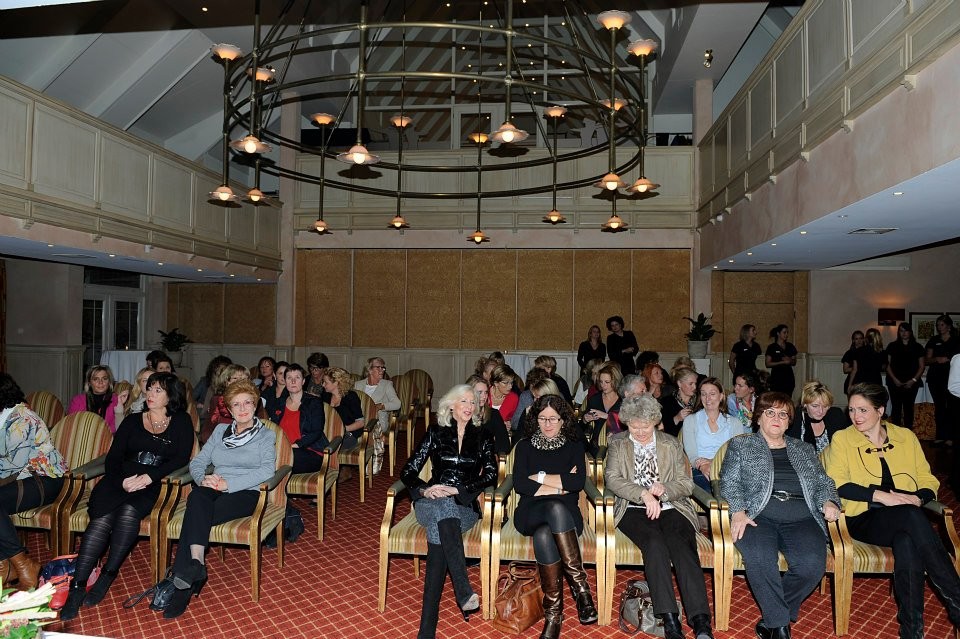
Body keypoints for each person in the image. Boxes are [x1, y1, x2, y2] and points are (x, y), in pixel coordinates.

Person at [824, 383, 960, 638]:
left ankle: (912, 630)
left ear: (880, 410)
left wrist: (919, 499)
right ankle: (957, 599)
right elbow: (838, 483)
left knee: (907, 540)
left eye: (863, 410)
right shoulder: (842, 438)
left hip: (906, 516)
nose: (856, 416)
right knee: (910, 517)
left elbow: (928, 480)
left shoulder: (905, 437)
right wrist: (883, 496)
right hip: (861, 517)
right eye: (852, 410)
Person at [60, 372, 193, 620]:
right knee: (102, 518)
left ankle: (109, 573)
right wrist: (122, 480)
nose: (150, 394)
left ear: (170, 396)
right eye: (149, 389)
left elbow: (180, 458)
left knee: (128, 513)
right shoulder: (132, 420)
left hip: (151, 482)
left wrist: (150, 478)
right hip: (120, 478)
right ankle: (76, 587)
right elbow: (113, 458)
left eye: (157, 390)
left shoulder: (182, 421)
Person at [721, 392, 841, 639]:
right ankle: (780, 627)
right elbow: (729, 482)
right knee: (760, 558)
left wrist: (828, 500)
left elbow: (822, 481)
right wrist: (738, 512)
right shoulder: (741, 445)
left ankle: (772, 618)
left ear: (789, 422)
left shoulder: (804, 449)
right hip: (758, 514)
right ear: (758, 418)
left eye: (783, 414)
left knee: (811, 565)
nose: (776, 418)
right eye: (770, 412)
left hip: (802, 515)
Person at [160, 379, 277, 619]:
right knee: (197, 497)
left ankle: (185, 582)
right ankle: (196, 565)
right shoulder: (220, 431)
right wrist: (204, 479)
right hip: (214, 486)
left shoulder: (265, 435)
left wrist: (228, 484)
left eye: (247, 403)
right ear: (230, 409)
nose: (243, 409)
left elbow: (267, 471)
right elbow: (199, 461)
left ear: (255, 406)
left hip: (248, 492)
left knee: (194, 514)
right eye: (237, 404)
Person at [604, 395, 714, 639]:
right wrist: (643, 494)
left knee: (681, 546)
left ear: (655, 422)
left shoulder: (670, 443)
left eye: (645, 426)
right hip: (633, 509)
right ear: (626, 423)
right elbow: (612, 478)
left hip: (672, 507)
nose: (640, 431)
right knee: (654, 544)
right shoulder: (619, 444)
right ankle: (669, 619)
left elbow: (685, 483)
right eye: (634, 426)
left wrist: (664, 490)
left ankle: (700, 620)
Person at [401, 385, 497, 639]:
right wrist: (425, 490)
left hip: (464, 506)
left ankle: (426, 631)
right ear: (451, 405)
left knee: (440, 524)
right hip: (429, 504)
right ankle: (463, 591)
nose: (470, 406)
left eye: (473, 402)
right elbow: (408, 471)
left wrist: (458, 490)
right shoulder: (435, 432)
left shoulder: (483, 436)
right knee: (441, 507)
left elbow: (491, 474)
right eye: (464, 401)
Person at [514, 395, 597, 639]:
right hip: (530, 510)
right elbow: (520, 483)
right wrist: (559, 486)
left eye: (553, 419)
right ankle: (581, 589)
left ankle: (554, 615)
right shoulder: (525, 446)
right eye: (542, 418)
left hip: (567, 518)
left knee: (544, 535)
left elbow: (578, 482)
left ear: (563, 420)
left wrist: (537, 477)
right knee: (554, 508)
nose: (547, 424)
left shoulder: (574, 446)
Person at [0, 373, 67, 590]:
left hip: (44, 480)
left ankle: (24, 563)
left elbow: (12, 464)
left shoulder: (22, 419)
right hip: (18, 479)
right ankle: (6, 567)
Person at [682, 377, 747, 492]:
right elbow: (691, 454)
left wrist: (714, 463)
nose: (707, 399)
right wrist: (703, 466)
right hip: (699, 469)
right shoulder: (691, 421)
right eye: (703, 394)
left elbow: (737, 453)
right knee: (710, 491)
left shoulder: (734, 423)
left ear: (721, 396)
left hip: (727, 468)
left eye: (712, 394)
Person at [273, 364, 328, 474]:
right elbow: (273, 429)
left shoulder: (314, 403)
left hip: (310, 451)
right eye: (289, 378)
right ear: (285, 381)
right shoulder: (279, 403)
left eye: (297, 378)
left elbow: (316, 432)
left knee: (282, 459)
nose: (293, 381)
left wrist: (295, 445)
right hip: (284, 450)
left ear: (303, 381)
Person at [785, 381, 848, 454]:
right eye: (815, 406)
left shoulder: (836, 416)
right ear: (805, 404)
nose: (821, 411)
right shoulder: (794, 419)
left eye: (825, 406)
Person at [925, 314, 960, 446]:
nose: (940, 327)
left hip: (952, 379)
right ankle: (940, 435)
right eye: (938, 325)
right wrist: (937, 359)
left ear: (949, 326)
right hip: (935, 378)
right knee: (939, 407)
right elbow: (927, 359)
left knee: (952, 407)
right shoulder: (934, 340)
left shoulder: (957, 340)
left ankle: (951, 437)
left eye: (942, 325)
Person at [885, 322, 925, 431]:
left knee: (909, 409)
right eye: (901, 331)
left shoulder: (918, 347)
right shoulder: (892, 346)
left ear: (910, 332)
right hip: (894, 382)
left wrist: (913, 380)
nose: (904, 333)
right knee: (896, 408)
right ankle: (895, 433)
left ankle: (908, 434)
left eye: (906, 330)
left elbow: (922, 366)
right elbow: (887, 365)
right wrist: (895, 380)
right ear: (898, 332)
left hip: (912, 383)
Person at [68, 365, 126, 433]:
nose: (100, 382)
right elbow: (72, 424)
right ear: (89, 383)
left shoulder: (116, 400)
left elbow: (119, 428)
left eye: (104, 378)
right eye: (95, 379)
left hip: (108, 438)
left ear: (109, 382)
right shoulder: (77, 401)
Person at [321, 367, 365, 455]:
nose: (323, 385)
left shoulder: (351, 397)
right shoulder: (325, 396)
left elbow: (360, 423)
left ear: (336, 383)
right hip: (328, 432)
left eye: (325, 382)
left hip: (348, 434)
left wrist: (342, 429)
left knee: (325, 446)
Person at [203, 364, 251, 444]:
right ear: (226, 382)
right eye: (235, 378)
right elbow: (208, 427)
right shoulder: (217, 399)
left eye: (243, 379)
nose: (239, 381)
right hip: (219, 443)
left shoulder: (254, 400)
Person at [466, 375, 510, 455]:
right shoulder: (463, 414)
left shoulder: (493, 414)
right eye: (479, 392)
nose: (484, 396)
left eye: (486, 392)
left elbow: (505, 445)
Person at [583, 362, 622, 441]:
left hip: (619, 444)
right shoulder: (595, 399)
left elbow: (628, 425)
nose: (603, 385)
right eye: (601, 382)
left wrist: (607, 416)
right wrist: (585, 419)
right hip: (596, 445)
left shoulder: (623, 400)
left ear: (615, 381)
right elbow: (582, 429)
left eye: (607, 382)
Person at [659, 367, 698, 437]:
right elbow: (663, 430)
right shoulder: (667, 402)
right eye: (690, 384)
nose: (694, 387)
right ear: (679, 383)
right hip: (675, 443)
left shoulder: (699, 401)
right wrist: (677, 418)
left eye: (695, 383)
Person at [511, 368, 549, 435]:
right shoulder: (526, 396)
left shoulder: (555, 397)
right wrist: (527, 416)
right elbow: (514, 424)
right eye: (532, 387)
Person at [765, 325, 798, 398]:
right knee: (776, 398)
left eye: (787, 332)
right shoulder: (772, 347)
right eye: (784, 332)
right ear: (778, 333)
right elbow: (767, 363)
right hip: (776, 377)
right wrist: (782, 362)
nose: (786, 334)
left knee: (787, 398)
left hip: (788, 376)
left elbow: (794, 362)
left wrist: (790, 360)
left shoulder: (790, 346)